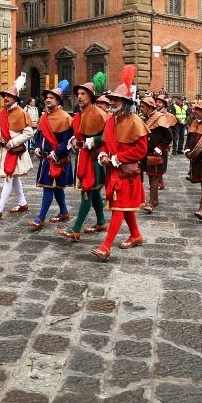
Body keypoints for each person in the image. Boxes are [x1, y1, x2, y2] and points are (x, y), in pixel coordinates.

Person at [91, 67, 149, 261]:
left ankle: (106, 246)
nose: (112, 102)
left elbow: (141, 150)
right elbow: (106, 144)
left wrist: (118, 158)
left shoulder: (135, 121)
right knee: (124, 206)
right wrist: (104, 156)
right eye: (111, 99)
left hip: (126, 172)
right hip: (112, 170)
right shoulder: (109, 121)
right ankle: (136, 235)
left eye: (116, 99)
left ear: (125, 102)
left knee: (118, 207)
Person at [61, 74, 108, 241]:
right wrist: (74, 139)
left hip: (94, 158)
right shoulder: (79, 113)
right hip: (82, 156)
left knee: (87, 190)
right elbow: (77, 131)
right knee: (94, 191)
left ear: (90, 96)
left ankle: (76, 227)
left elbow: (106, 135)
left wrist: (91, 141)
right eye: (78, 94)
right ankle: (101, 222)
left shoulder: (99, 113)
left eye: (83, 94)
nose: (79, 97)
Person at [28, 80, 74, 229]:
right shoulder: (44, 117)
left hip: (57, 158)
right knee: (56, 187)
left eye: (51, 97)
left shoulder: (66, 118)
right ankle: (64, 212)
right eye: (47, 97)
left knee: (49, 187)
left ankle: (40, 218)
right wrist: (36, 147)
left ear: (58, 101)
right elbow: (40, 137)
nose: (48, 99)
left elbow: (67, 141)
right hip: (46, 158)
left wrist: (57, 153)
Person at [0, 75, 34, 219]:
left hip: (14, 150)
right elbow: (0, 127)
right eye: (5, 96)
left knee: (9, 177)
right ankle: (23, 202)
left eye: (9, 96)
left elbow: (29, 133)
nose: (6, 98)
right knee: (13, 178)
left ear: (15, 99)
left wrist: (13, 142)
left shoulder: (22, 113)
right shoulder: (2, 112)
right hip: (4, 149)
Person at [139, 96, 173, 212]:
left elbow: (169, 137)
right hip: (145, 152)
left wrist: (159, 148)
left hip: (156, 154)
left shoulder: (160, 118)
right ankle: (152, 199)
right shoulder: (144, 118)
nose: (141, 109)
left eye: (143, 107)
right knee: (146, 175)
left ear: (150, 107)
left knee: (153, 177)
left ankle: (152, 201)